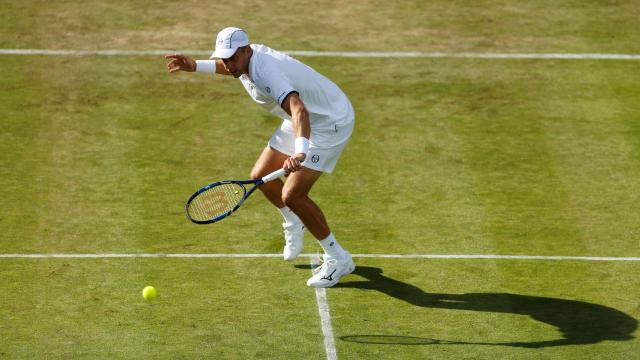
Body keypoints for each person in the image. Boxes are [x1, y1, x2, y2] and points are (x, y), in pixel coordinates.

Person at [165, 27, 355, 288]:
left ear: (246, 50)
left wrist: (301, 150)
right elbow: (227, 67)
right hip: (305, 117)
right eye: (224, 58)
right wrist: (195, 65)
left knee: (293, 195)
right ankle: (294, 220)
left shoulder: (267, 73)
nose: (228, 64)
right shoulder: (242, 63)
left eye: (232, 58)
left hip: (328, 122)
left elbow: (299, 110)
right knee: (260, 177)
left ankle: (338, 258)